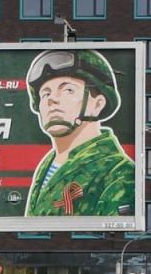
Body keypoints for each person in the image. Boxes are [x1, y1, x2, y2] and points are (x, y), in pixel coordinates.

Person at [24, 49, 135, 217]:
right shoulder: (46, 166)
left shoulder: (118, 173)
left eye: (68, 90)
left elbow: (113, 239)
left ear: (97, 105)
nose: (52, 99)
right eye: (45, 93)